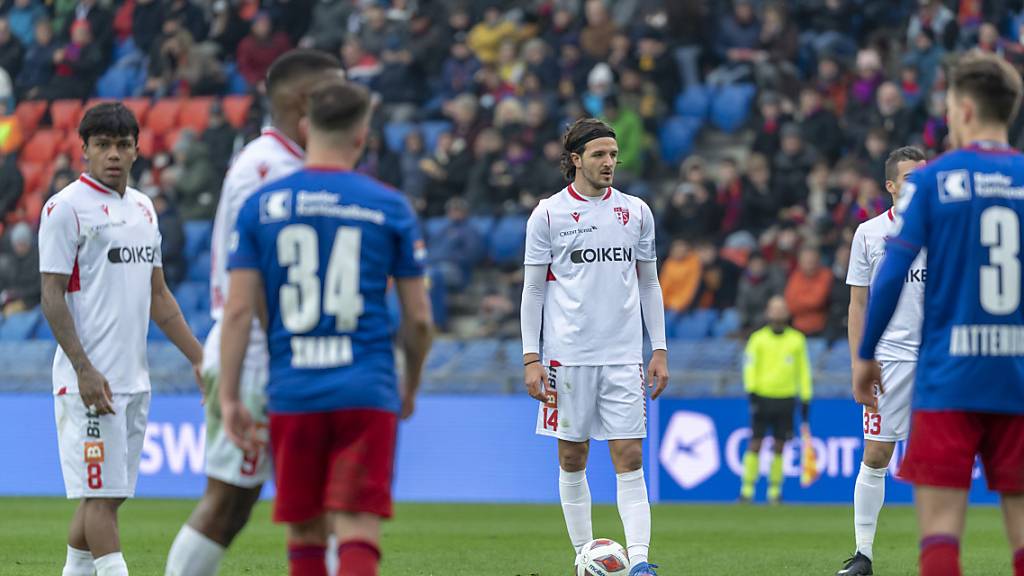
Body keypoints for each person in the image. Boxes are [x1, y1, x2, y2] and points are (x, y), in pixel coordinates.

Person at [220, 78, 433, 576]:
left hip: (293, 390)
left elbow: (237, 311)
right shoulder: (388, 205)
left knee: (306, 533)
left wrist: (229, 398)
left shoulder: (261, 206)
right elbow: (419, 318)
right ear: (362, 137)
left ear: (303, 127)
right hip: (366, 388)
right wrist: (411, 383)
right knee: (357, 529)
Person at [165, 49, 344, 576]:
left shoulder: (290, 161)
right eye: (334, 90)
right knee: (229, 504)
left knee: (269, 504)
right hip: (261, 356)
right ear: (303, 100)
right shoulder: (268, 169)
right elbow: (254, 285)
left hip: (272, 352)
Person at [853, 52, 1024, 576]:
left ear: (965, 109)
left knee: (942, 530)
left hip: (948, 370)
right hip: (1016, 370)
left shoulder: (934, 182)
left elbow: (891, 274)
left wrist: (864, 355)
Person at [38, 102, 203, 576]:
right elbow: (51, 296)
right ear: (84, 150)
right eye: (103, 145)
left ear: (136, 150)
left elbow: (159, 296)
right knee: (102, 501)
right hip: (89, 382)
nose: (113, 154)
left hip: (134, 380)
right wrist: (84, 369)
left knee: (107, 495)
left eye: (122, 145)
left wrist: (199, 358)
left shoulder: (144, 209)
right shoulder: (64, 208)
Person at [521, 117, 668, 576]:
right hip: (566, 358)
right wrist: (531, 358)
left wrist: (658, 348)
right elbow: (533, 291)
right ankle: (585, 555)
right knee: (572, 456)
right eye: (599, 155)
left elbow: (650, 284)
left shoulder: (636, 212)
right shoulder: (548, 214)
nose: (609, 163)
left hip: (623, 356)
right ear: (575, 160)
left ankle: (640, 561)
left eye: (613, 154)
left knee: (629, 457)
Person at [837, 146, 927, 576]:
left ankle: (944, 553)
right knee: (876, 455)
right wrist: (860, 360)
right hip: (889, 360)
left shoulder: (945, 229)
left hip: (938, 359)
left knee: (949, 455)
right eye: (910, 178)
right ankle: (863, 554)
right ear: (890, 186)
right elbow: (857, 304)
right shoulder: (869, 234)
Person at [739, 295, 812, 504]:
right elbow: (750, 366)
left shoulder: (797, 339)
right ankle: (747, 490)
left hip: (786, 398)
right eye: (774, 308)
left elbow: (803, 371)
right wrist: (751, 392)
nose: (778, 312)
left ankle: (774, 491)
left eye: (781, 308)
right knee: (755, 443)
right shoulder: (758, 339)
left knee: (780, 445)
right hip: (762, 397)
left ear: (787, 312)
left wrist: (805, 397)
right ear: (768, 312)